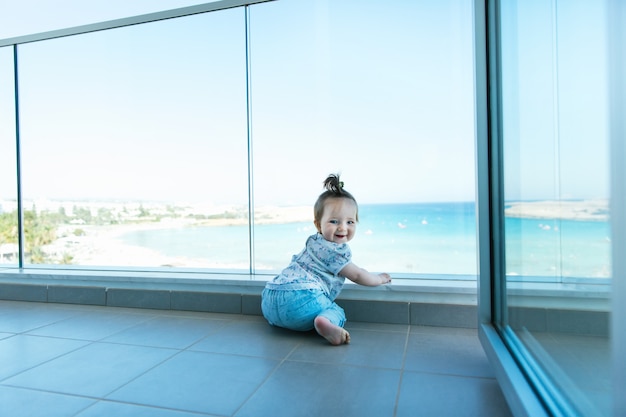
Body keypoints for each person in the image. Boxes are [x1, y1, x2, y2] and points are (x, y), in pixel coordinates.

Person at [261, 173, 392, 345]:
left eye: (350, 222)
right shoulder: (336, 251)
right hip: (303, 302)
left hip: (269, 300)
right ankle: (325, 323)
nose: (342, 227)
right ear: (318, 224)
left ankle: (284, 319)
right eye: (334, 221)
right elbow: (358, 275)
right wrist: (380, 278)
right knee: (335, 310)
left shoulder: (313, 242)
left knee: (284, 310)